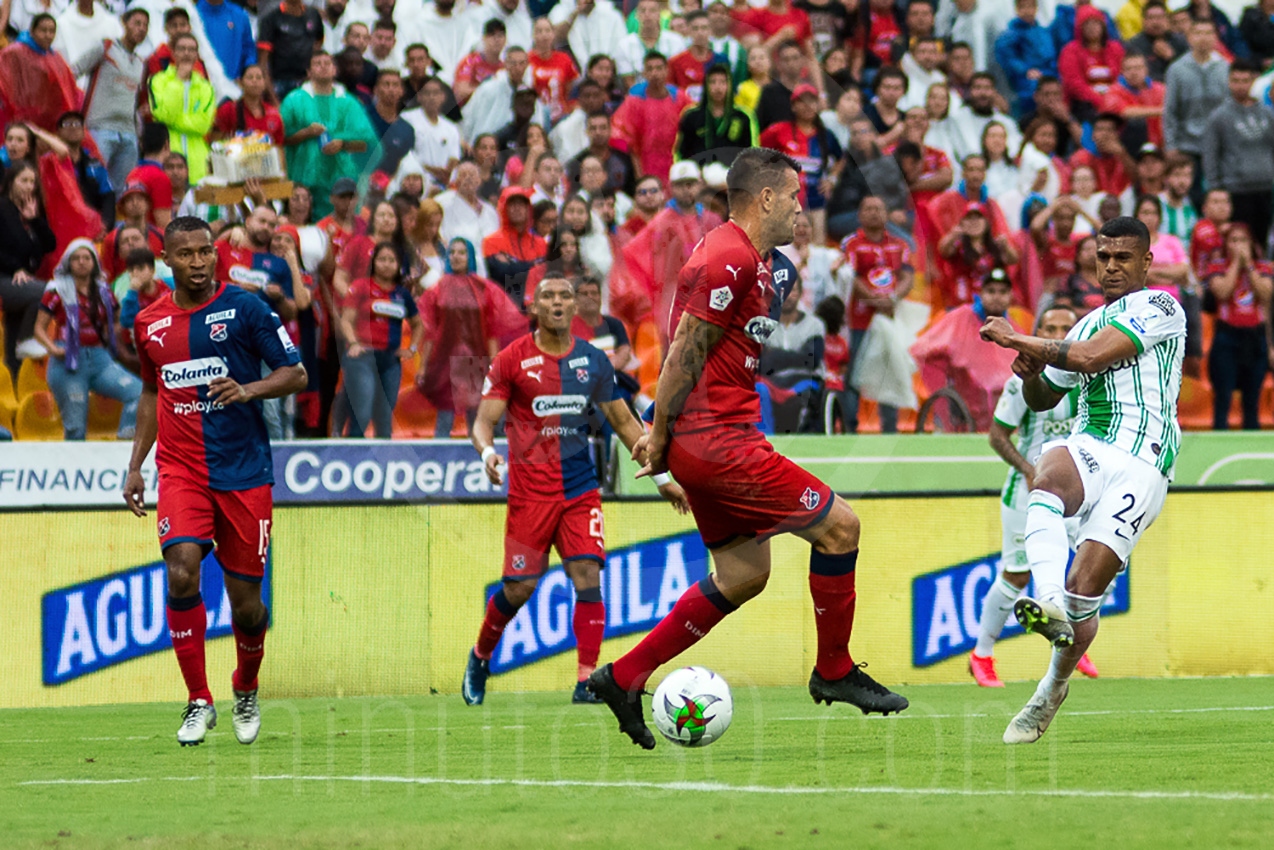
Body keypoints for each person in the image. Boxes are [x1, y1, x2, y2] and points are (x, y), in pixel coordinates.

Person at [586, 148, 909, 749]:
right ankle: (834, 669)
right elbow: (684, 351)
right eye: (792, 197)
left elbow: (710, 352)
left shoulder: (754, 262)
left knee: (743, 574)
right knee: (841, 528)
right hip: (719, 443)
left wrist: (664, 432)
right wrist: (660, 437)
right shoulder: (729, 257)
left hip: (713, 438)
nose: (799, 209)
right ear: (765, 198)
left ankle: (624, 677)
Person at [979, 216, 1185, 744]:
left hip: (1146, 460)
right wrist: (1030, 373)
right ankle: (1046, 600)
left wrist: (1017, 337)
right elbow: (1044, 397)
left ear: (1146, 262)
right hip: (1092, 442)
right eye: (1103, 257)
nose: (1111, 267)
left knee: (1084, 593)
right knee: (1047, 477)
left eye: (1123, 257)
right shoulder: (1082, 325)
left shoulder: (1162, 307)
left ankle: (1051, 688)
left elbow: (1091, 358)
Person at [462, 274, 690, 706]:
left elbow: (625, 424)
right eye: (548, 296)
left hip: (580, 489)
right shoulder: (512, 360)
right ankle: (480, 657)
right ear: (534, 307)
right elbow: (482, 423)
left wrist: (662, 479)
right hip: (530, 493)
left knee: (587, 575)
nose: (558, 302)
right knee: (519, 589)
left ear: (574, 306)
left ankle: (586, 681)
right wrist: (487, 453)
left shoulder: (592, 361)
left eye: (565, 296)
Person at [123, 216, 307, 747]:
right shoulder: (149, 322)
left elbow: (295, 373)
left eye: (206, 251)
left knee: (246, 605)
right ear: (167, 261)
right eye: (186, 254)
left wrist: (248, 390)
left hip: (244, 471)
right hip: (181, 469)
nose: (199, 262)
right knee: (181, 571)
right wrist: (136, 465)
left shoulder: (247, 308)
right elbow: (152, 391)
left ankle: (245, 687)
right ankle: (198, 699)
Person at [970, 303, 1101, 687]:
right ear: (1038, 332)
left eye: (1065, 328)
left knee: (1086, 569)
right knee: (1016, 574)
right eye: (1050, 328)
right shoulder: (1021, 381)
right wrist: (1029, 470)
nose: (1058, 334)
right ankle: (982, 654)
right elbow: (997, 436)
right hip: (1027, 492)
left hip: (1074, 489)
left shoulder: (1086, 378)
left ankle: (1074, 644)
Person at [32, 239, 143, 439]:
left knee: (138, 392)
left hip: (100, 358)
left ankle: (125, 443)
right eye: (76, 258)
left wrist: (112, 334)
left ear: (94, 262)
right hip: (68, 360)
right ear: (68, 262)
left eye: (86, 258)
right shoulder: (56, 291)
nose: (82, 262)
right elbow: (39, 329)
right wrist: (53, 349)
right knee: (75, 428)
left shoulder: (104, 292)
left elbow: (119, 319)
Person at [417, 237, 511, 437]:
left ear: (470, 256)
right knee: (445, 416)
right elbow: (430, 331)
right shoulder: (437, 290)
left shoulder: (484, 289)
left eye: (461, 252)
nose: (456, 256)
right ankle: (439, 454)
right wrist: (424, 366)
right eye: (452, 252)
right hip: (445, 361)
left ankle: (477, 452)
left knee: (475, 415)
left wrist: (495, 364)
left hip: (475, 361)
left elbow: (492, 329)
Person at [840, 195, 912, 434]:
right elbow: (850, 276)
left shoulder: (899, 244)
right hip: (859, 321)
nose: (873, 213)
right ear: (859, 215)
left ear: (887, 214)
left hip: (889, 320)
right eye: (868, 209)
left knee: (889, 373)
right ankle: (850, 429)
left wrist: (893, 298)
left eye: (878, 208)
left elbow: (908, 276)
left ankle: (889, 429)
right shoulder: (851, 243)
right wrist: (873, 298)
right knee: (853, 374)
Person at [337, 242, 423, 438]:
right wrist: (354, 343)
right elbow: (346, 320)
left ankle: (381, 455)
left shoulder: (401, 294)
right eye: (382, 259)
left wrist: (411, 349)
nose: (386, 264)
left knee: (384, 417)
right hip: (362, 357)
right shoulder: (360, 287)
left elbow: (418, 324)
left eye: (391, 260)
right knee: (362, 412)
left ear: (398, 265)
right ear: (374, 262)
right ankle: (353, 452)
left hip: (391, 360)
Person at [280, 51, 377, 219]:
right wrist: (306, 133)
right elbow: (280, 138)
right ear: (309, 72)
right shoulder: (294, 100)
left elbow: (365, 141)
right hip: (303, 179)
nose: (323, 67)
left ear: (335, 70)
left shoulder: (349, 101)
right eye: (318, 64)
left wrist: (343, 144)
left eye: (327, 63)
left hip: (340, 180)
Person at [73, 7, 149, 193]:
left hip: (128, 134)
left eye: (145, 25)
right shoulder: (106, 48)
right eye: (137, 23)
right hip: (100, 127)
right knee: (93, 183)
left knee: (122, 191)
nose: (141, 29)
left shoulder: (141, 63)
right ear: (124, 23)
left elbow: (135, 101)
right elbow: (73, 71)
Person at [1201, 59, 1274, 250]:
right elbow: (1210, 155)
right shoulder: (1219, 116)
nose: (1240, 86)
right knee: (1236, 243)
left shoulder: (1268, 114)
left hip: (1265, 187)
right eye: (1235, 80)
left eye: (1245, 81)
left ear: (1253, 81)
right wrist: (1216, 188)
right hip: (1235, 189)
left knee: (1261, 243)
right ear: (1229, 82)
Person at [1205, 223, 1271, 430]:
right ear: (1226, 244)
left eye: (1243, 240)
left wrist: (1249, 265)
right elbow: (1222, 292)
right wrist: (1235, 264)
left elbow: (1266, 293)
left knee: (1252, 399)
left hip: (1255, 337)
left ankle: (1251, 439)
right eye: (1233, 240)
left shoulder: (1263, 268)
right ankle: (1219, 439)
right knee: (1223, 396)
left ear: (1251, 244)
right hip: (1227, 336)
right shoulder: (1217, 267)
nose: (1239, 245)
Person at [760, 84, 842, 245]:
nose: (807, 106)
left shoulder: (826, 135)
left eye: (812, 101)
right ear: (793, 106)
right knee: (784, 245)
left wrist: (832, 180)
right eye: (802, 102)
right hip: (785, 200)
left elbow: (841, 158)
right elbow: (758, 151)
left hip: (816, 200)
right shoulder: (778, 130)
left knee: (817, 245)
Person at [1163, 18, 1229, 207]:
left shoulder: (1225, 67)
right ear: (1189, 37)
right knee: (1192, 197)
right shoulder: (1177, 69)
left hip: (1219, 145)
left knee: (1218, 194)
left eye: (1208, 33)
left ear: (1215, 37)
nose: (1203, 38)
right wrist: (1171, 145)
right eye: (1198, 33)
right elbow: (1170, 111)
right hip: (1188, 145)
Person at [0, 161, 58, 373]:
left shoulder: (31, 209)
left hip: (22, 281)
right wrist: (16, 268)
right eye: (23, 180)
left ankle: (14, 374)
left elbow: (50, 244)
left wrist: (35, 220)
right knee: (49, 290)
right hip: (5, 277)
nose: (29, 186)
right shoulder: (2, 207)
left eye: (32, 182)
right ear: (11, 182)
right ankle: (27, 338)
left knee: (13, 346)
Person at [149, 33, 216, 183]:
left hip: (197, 164)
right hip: (168, 158)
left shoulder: (206, 87)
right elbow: (163, 116)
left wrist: (172, 122)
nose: (187, 53)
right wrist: (178, 81)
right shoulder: (158, 81)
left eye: (191, 49)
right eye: (182, 49)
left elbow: (203, 125)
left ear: (197, 55)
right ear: (173, 52)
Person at [613, 52, 688, 184]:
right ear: (644, 73)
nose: (655, 73)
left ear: (667, 71)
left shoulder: (680, 99)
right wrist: (638, 175)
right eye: (650, 69)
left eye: (659, 68)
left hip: (676, 164)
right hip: (646, 164)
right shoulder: (634, 102)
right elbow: (628, 140)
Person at [1058, 4, 1125, 122]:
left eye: (1096, 23)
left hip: (1116, 100)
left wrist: (1114, 98)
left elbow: (1123, 76)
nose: (1092, 27)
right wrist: (1101, 101)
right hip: (1084, 105)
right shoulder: (1070, 51)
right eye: (1087, 24)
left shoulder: (1115, 48)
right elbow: (1074, 84)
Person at [483, 187, 547, 306]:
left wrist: (513, 265)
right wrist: (533, 265)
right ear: (504, 208)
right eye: (512, 204)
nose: (517, 208)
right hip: (504, 304)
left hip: (536, 305)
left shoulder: (540, 242)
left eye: (521, 204)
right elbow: (502, 274)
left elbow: (545, 273)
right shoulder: (491, 241)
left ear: (528, 209)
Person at [994, 0, 1057, 117]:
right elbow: (1007, 58)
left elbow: (1051, 57)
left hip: (1046, 75)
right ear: (1017, 9)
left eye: (1031, 7)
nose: (1027, 11)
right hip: (1024, 83)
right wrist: (1025, 70)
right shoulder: (1010, 34)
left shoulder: (1044, 32)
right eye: (1023, 7)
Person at [402, 76, 463, 191]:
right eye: (427, 93)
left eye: (436, 93)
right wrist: (431, 169)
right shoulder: (407, 119)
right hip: (416, 182)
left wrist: (447, 172)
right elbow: (406, 155)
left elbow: (454, 157)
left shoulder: (451, 127)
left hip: (444, 184)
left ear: (443, 97)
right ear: (419, 96)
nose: (431, 97)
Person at [256, 0, 324, 98]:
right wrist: (273, 98)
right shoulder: (271, 18)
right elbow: (263, 62)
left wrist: (313, 69)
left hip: (307, 81)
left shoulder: (313, 15)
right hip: (279, 81)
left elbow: (318, 43)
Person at [213, 65, 285, 145]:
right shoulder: (228, 109)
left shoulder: (273, 114)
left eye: (259, 78)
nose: (254, 81)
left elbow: (278, 146)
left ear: (265, 83)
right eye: (250, 77)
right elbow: (214, 138)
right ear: (240, 83)